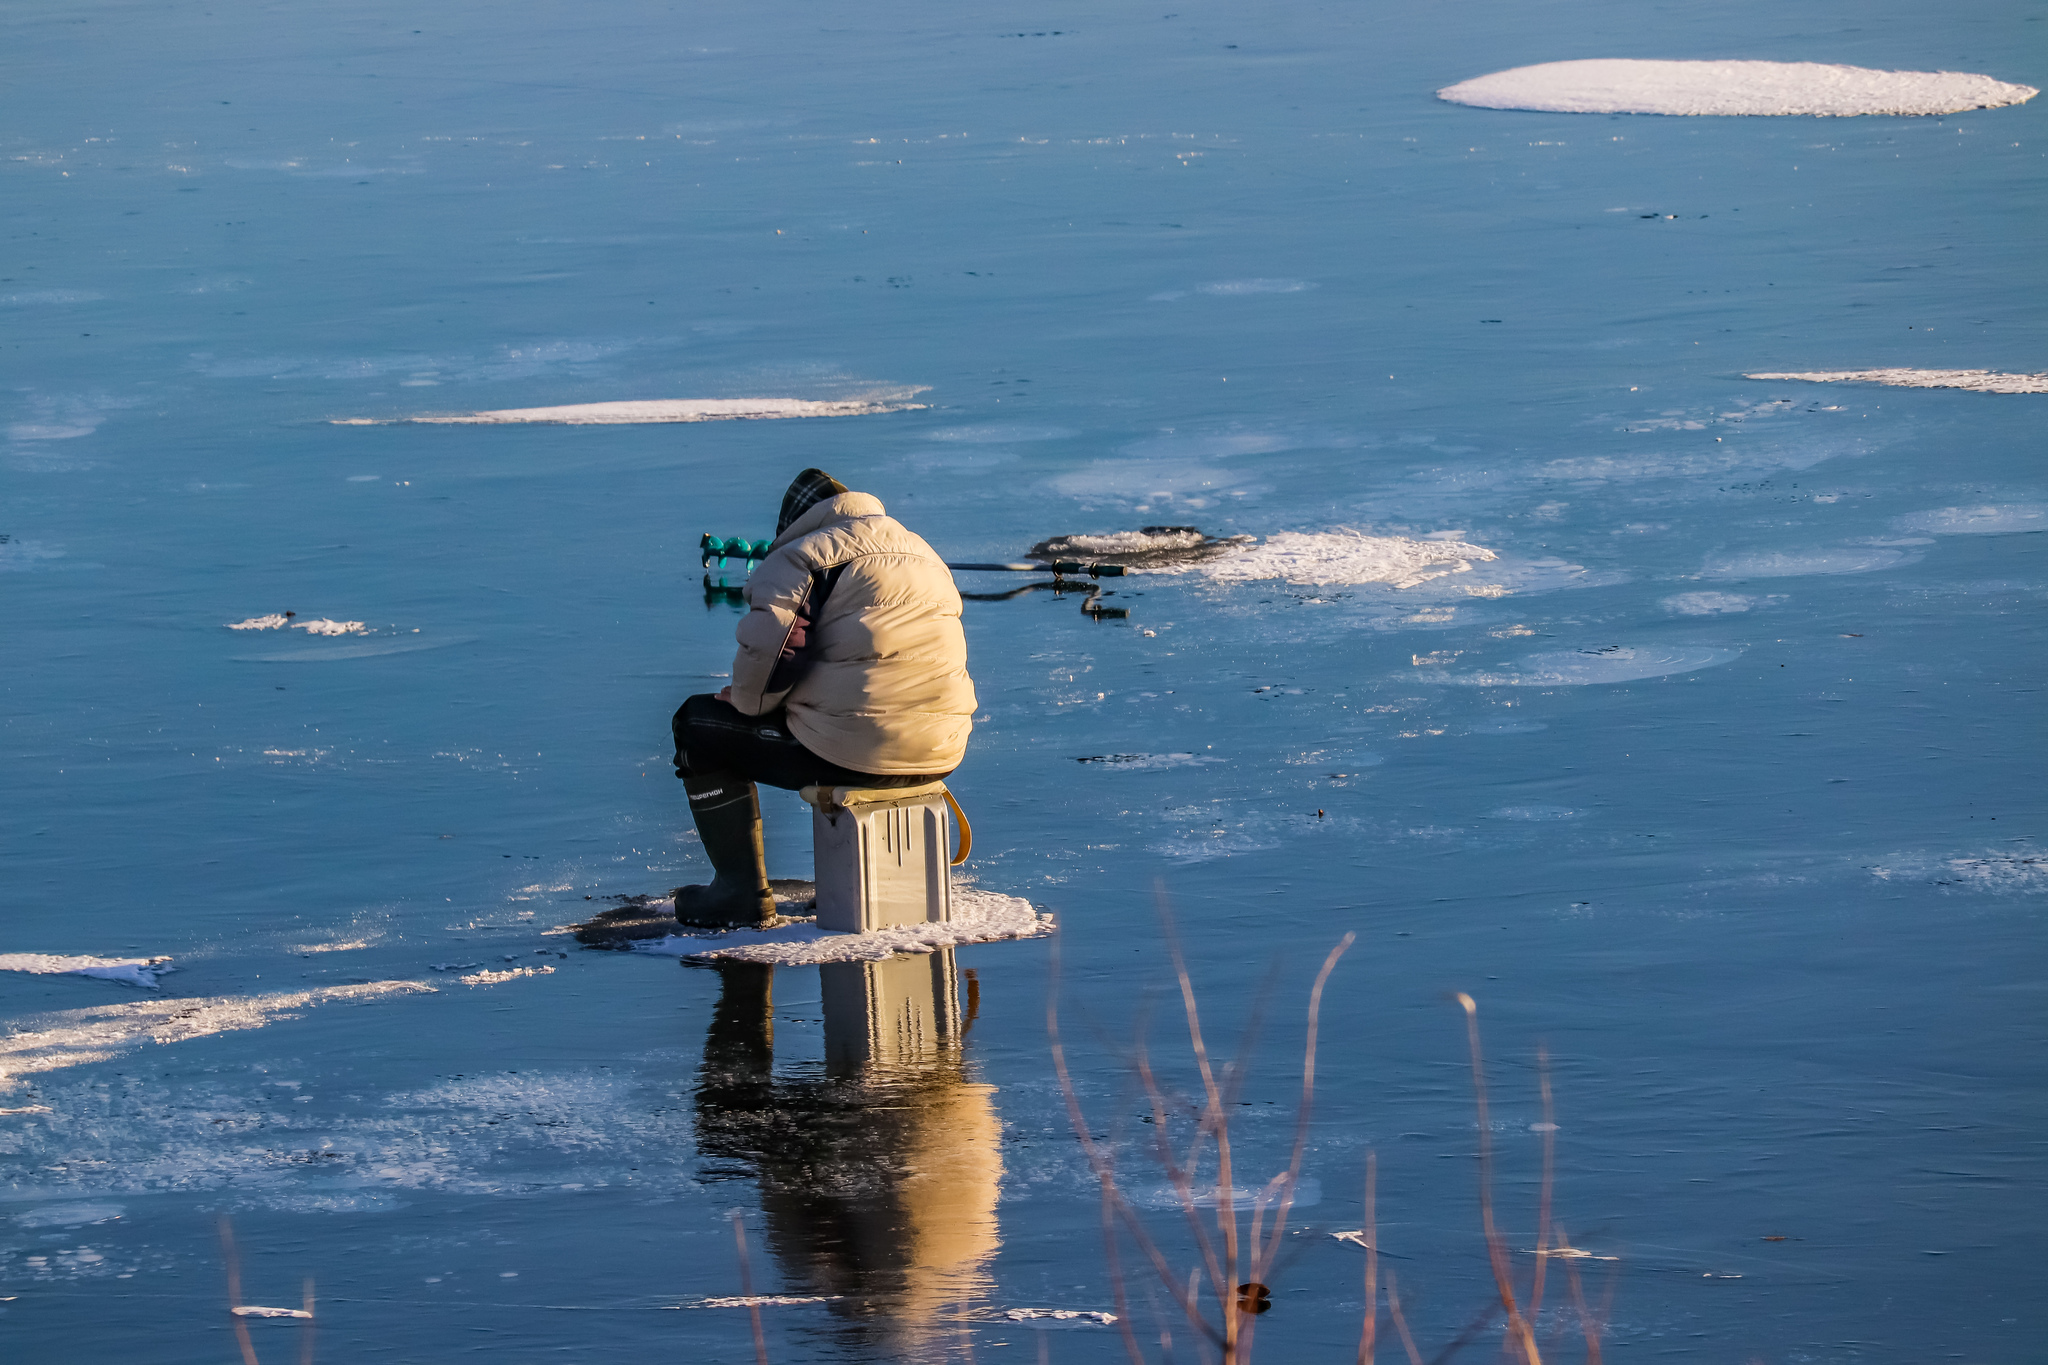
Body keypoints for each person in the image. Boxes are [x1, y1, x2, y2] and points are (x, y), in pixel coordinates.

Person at [670, 469, 976, 926]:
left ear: (796, 521)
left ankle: (739, 894)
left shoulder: (804, 557)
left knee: (697, 726)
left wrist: (747, 701)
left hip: (861, 752)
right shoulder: (922, 552)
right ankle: (869, 882)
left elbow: (777, 653)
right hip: (941, 749)